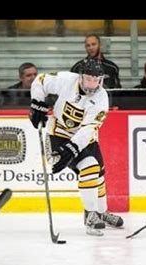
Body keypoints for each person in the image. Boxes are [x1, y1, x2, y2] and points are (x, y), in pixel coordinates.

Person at [29, 58, 123, 236]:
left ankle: (102, 214)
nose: (93, 84)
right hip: (58, 135)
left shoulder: (101, 97)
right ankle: (90, 216)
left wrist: (72, 148)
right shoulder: (66, 80)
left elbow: (89, 128)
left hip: (84, 138)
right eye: (89, 79)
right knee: (89, 167)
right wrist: (37, 104)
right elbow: (40, 80)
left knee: (99, 177)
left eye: (97, 80)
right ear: (80, 77)